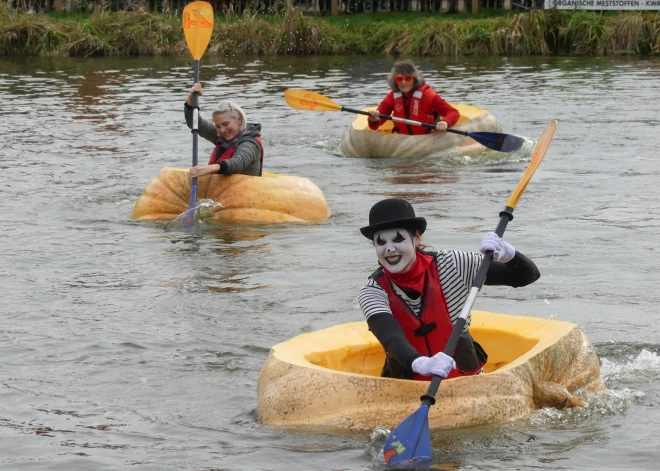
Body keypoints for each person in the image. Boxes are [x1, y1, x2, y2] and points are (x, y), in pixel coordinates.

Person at [357, 198, 541, 381]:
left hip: (466, 381)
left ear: (416, 237)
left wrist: (509, 255)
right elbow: (391, 339)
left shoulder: (453, 264)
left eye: (398, 239)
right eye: (380, 243)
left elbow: (526, 276)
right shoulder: (372, 291)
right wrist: (421, 363)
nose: (389, 249)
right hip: (407, 388)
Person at [184, 82, 264, 178]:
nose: (222, 130)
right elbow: (196, 124)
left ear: (239, 119)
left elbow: (238, 162)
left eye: (226, 124)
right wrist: (191, 101)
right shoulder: (221, 136)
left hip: (246, 190)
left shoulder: (250, 143)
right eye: (217, 126)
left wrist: (210, 168)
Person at [367, 59, 460, 135]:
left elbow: (453, 112)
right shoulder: (392, 96)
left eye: (408, 78)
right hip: (403, 142)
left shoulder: (427, 94)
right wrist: (373, 119)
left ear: (414, 79)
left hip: (428, 140)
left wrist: (445, 122)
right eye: (399, 79)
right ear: (395, 81)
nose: (403, 82)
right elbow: (375, 125)